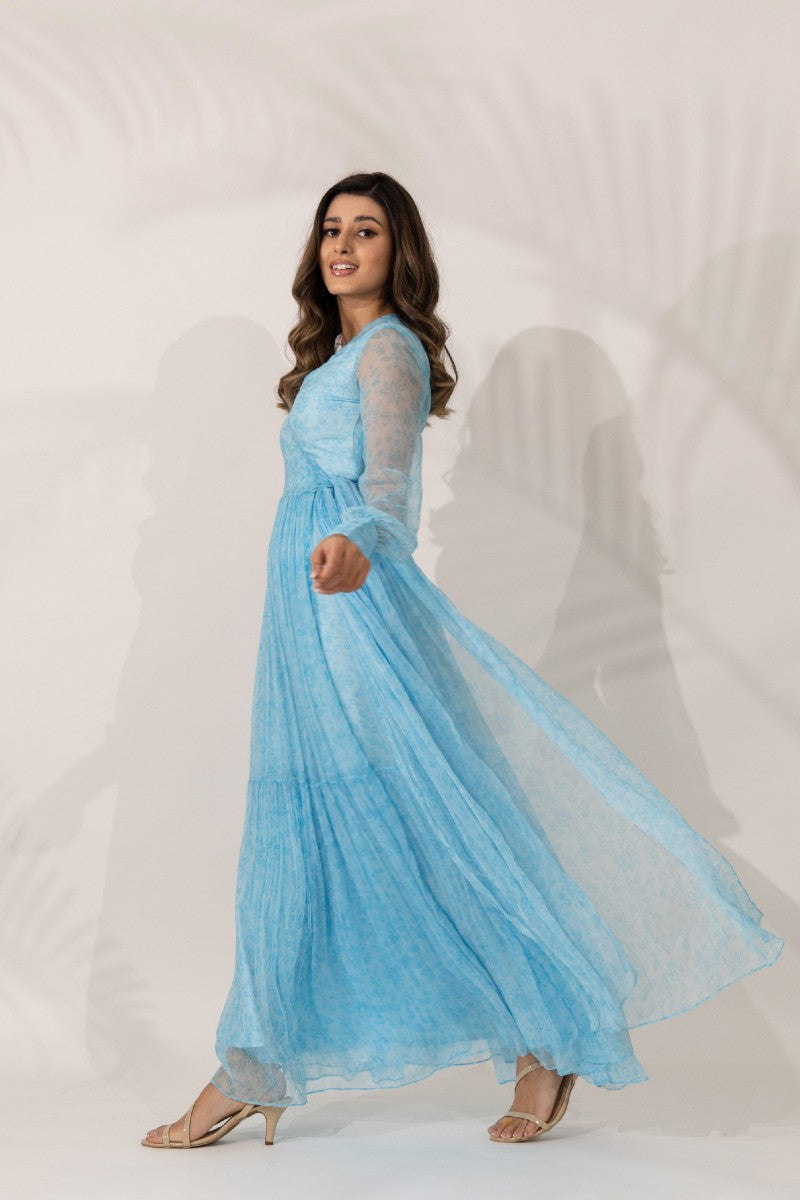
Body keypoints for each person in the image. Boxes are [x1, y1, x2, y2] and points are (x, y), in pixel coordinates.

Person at [142, 171, 783, 1149]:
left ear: (399, 250)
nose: (342, 245)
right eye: (330, 230)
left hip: (355, 617)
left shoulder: (388, 350)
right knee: (304, 835)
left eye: (365, 230)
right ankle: (257, 1061)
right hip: (305, 626)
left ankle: (546, 1037)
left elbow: (389, 490)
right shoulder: (337, 356)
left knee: (437, 829)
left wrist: (355, 539)